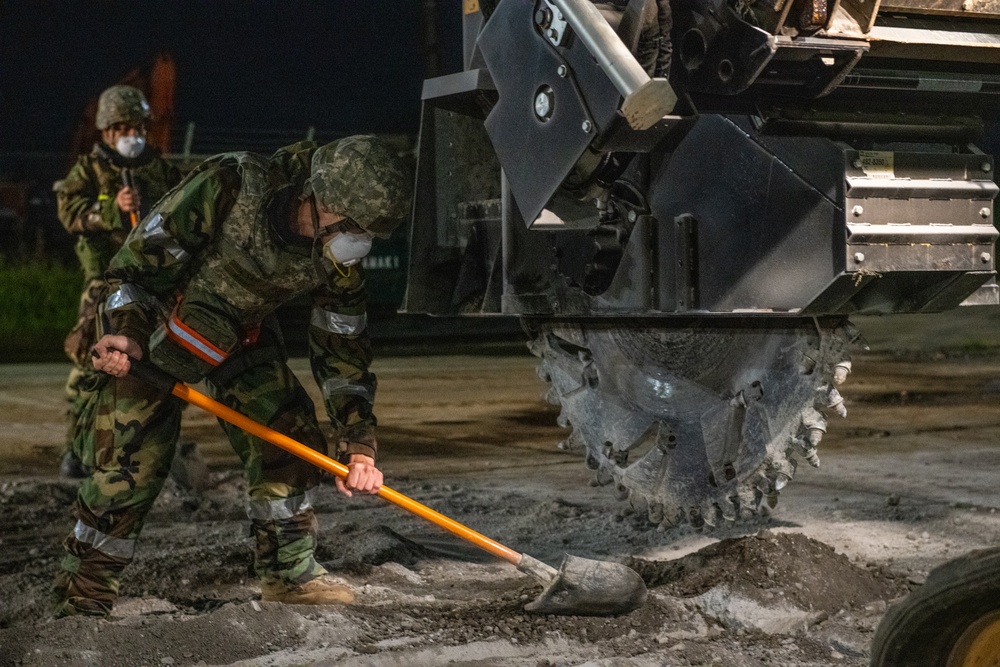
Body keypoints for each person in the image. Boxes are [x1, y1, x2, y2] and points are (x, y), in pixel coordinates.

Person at [51, 135, 412, 617]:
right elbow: (131, 275)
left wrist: (358, 438)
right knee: (131, 463)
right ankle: (80, 598)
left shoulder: (337, 262)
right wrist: (127, 335)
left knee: (288, 434)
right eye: (357, 228)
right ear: (322, 201)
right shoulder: (230, 185)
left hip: (238, 334)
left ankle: (289, 576)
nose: (361, 242)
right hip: (154, 328)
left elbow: (342, 348)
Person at [56, 85, 182, 478]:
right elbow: (70, 212)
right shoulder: (89, 169)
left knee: (164, 364)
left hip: (156, 283)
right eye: (122, 127)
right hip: (104, 283)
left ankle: (153, 448)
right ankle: (77, 449)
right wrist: (112, 209)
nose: (133, 135)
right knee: (88, 364)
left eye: (138, 126)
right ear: (106, 130)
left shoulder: (160, 168)